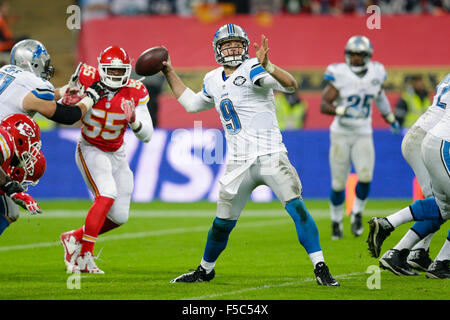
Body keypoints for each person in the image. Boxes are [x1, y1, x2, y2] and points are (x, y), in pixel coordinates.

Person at [162, 24, 339, 286]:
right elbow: (190, 104)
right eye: (227, 45)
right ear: (217, 49)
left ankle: (320, 267)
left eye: (236, 44)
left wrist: (269, 65)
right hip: (238, 161)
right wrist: (169, 71)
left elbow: (291, 85)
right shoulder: (212, 79)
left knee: (297, 208)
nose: (232, 48)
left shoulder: (254, 67)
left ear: (245, 47)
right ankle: (205, 270)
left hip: (270, 154)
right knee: (222, 223)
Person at [60, 45, 153, 274]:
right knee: (107, 194)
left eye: (120, 71)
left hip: (117, 152)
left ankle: (74, 238)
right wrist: (68, 97)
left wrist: (134, 121)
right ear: (101, 69)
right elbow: (64, 101)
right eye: (110, 70)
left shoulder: (135, 90)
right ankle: (83, 258)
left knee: (120, 216)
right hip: (90, 147)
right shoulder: (87, 77)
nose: (115, 75)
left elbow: (148, 134)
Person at [367, 75, 450, 279]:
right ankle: (437, 260)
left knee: (443, 206)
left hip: (428, 137)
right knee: (442, 206)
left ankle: (411, 249)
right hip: (433, 140)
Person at [320, 35, 400, 240]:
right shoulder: (339, 74)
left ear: (367, 56)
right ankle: (336, 221)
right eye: (353, 54)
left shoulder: (376, 72)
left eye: (360, 54)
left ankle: (356, 212)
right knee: (338, 183)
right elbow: (324, 104)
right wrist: (341, 110)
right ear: (348, 55)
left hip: (363, 131)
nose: (356, 58)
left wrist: (390, 117)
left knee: (365, 177)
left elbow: (380, 97)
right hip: (341, 133)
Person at [4, 39, 107, 126]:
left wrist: (63, 91)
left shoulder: (6, 71)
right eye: (45, 64)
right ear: (34, 64)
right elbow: (68, 117)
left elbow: (28, 96)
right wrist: (90, 98)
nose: (47, 68)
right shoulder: (32, 84)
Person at [0, 114, 45, 236]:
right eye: (32, 145)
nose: (30, 152)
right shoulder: (5, 140)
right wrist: (9, 186)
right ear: (19, 139)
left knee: (10, 210)